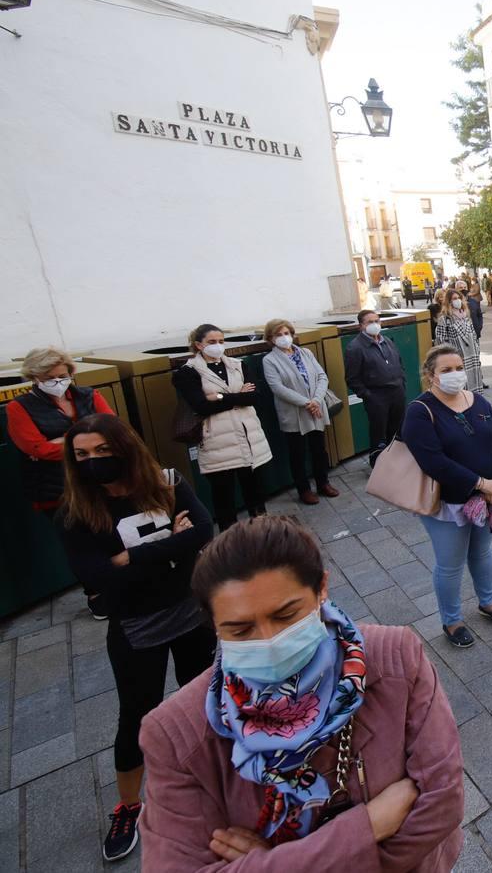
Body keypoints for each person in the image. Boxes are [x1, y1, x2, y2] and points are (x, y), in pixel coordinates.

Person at [138, 517, 465, 869]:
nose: (269, 641)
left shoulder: (395, 659)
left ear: (321, 588)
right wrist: (367, 828)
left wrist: (272, 862)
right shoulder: (176, 735)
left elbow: (441, 803)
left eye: (286, 615)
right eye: (240, 629)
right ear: (214, 626)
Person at [56, 414, 216, 862]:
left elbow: (204, 530)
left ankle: (212, 778)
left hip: (191, 613)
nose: (93, 463)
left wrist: (130, 558)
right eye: (82, 455)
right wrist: (170, 542)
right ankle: (128, 807)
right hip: (136, 627)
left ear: (124, 447)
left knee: (202, 697)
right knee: (137, 718)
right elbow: (98, 578)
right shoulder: (76, 512)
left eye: (102, 451)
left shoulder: (165, 481)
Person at [403, 347, 492, 647]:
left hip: (485, 498)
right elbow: (433, 461)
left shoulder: (478, 400)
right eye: (447, 370)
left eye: (458, 367)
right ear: (431, 376)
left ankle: (487, 601)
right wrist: (480, 484)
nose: (455, 374)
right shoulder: (419, 411)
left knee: (481, 552)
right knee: (450, 563)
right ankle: (451, 621)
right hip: (447, 503)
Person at [174, 324, 273, 530]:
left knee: (254, 489)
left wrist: (218, 397)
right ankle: (230, 535)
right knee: (223, 494)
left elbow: (254, 396)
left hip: (249, 437)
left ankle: (261, 531)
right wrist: (238, 396)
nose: (218, 346)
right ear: (199, 345)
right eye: (211, 342)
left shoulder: (237, 364)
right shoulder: (187, 372)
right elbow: (200, 405)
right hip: (217, 442)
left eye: (221, 341)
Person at [10, 346, 115, 515]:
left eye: (63, 376)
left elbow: (113, 431)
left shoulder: (89, 395)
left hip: (101, 482)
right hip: (57, 491)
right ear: (34, 378)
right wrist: (94, 445)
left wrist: (62, 440)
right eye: (49, 378)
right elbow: (38, 448)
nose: (57, 382)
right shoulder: (19, 407)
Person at [261, 320, 339, 506]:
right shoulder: (270, 360)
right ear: (270, 339)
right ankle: (304, 489)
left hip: (316, 408)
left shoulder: (305, 352)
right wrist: (307, 403)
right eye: (278, 335)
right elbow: (277, 387)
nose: (284, 338)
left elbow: (321, 376)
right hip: (294, 412)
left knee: (318, 449)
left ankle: (323, 483)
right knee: (297, 453)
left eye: (286, 333)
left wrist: (317, 400)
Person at [344, 309, 407, 466]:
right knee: (378, 433)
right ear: (361, 326)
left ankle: (396, 460)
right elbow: (352, 378)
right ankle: (378, 464)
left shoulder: (387, 341)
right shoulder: (355, 348)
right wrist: (368, 395)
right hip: (377, 397)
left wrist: (402, 383)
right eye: (370, 322)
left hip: (397, 393)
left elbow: (399, 363)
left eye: (377, 321)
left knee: (397, 429)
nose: (374, 325)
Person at [434, 289, 486, 393]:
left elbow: (473, 336)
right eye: (454, 299)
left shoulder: (466, 316)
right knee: (462, 388)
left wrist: (476, 349)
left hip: (472, 356)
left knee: (474, 386)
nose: (457, 301)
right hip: (457, 358)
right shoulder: (444, 319)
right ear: (448, 301)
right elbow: (441, 341)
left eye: (459, 298)